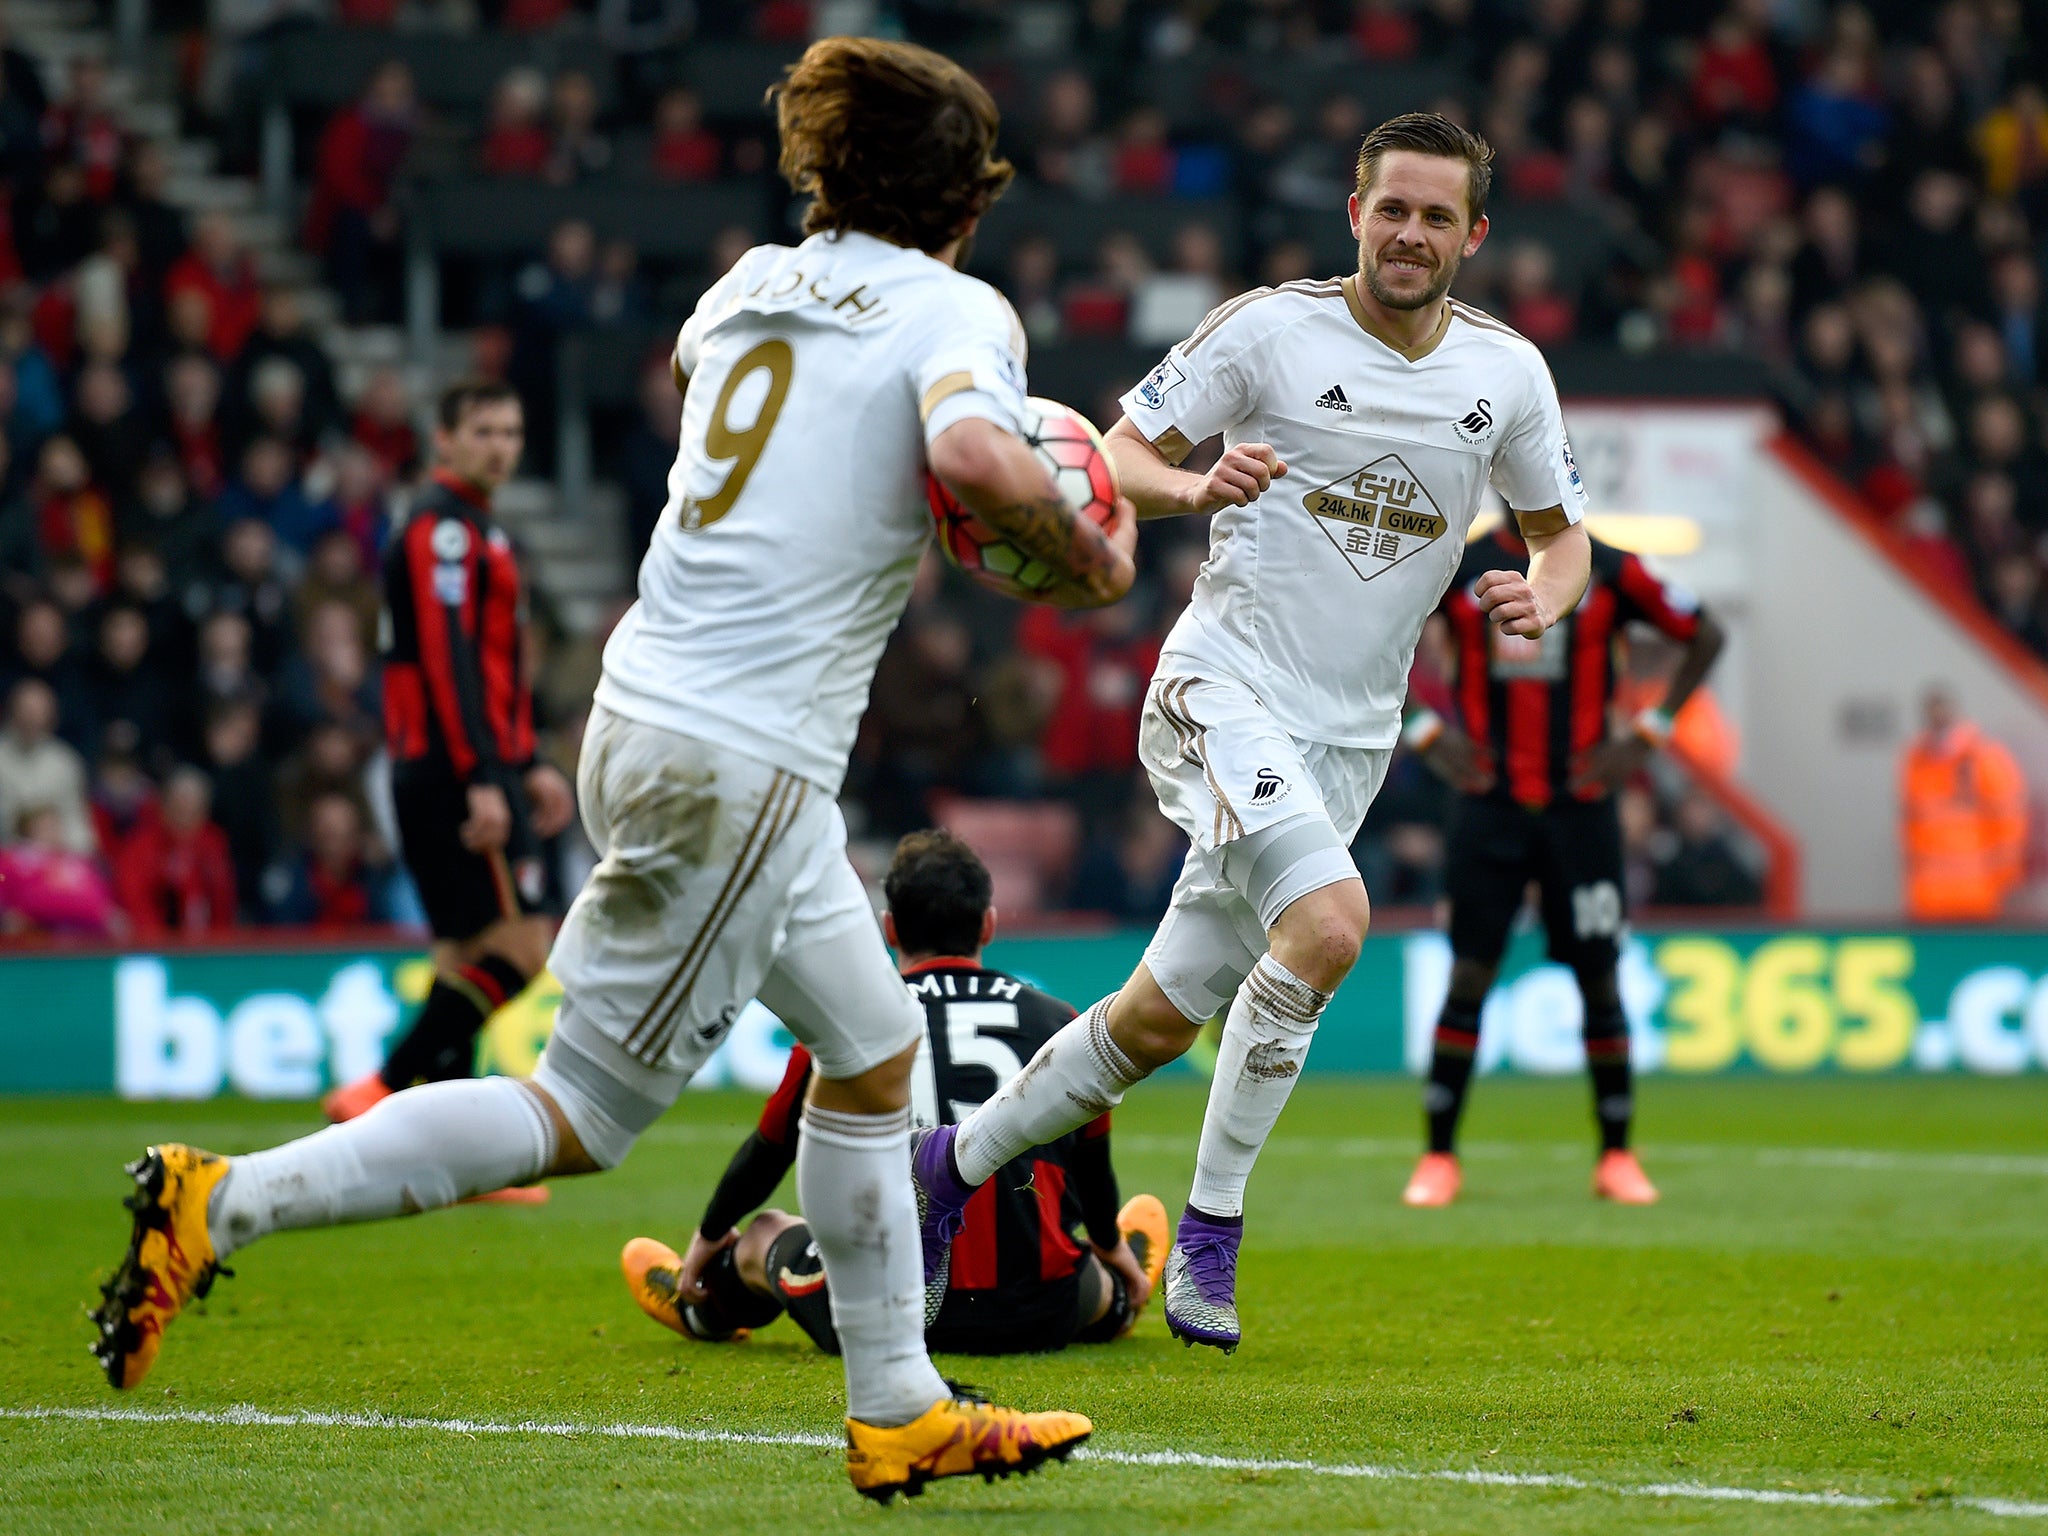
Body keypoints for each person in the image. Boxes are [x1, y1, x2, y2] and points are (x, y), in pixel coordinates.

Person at [91, 37, 1135, 1505]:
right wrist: (1082, 550)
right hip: (741, 760)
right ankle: (227, 1199)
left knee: (875, 1048)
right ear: (962, 200)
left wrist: (1082, 475)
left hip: (646, 714)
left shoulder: (740, 290)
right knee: (575, 1114)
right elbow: (968, 452)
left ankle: (899, 1404)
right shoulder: (957, 307)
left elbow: (839, 436)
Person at [915, 112, 1592, 1355]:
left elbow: (1560, 538)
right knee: (1330, 926)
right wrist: (1192, 485)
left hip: (1350, 742)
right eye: (1390, 207)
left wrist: (1535, 598)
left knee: (1155, 1022)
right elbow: (1113, 457)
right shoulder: (1267, 329)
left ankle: (947, 1165)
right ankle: (1211, 1237)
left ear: (1473, 236)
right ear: (1354, 212)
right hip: (1219, 690)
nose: (1408, 232)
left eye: (1435, 215)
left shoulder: (1506, 376)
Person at [620, 830, 1167, 1356]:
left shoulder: (850, 1020)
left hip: (883, 1314)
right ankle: (1120, 1294)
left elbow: (771, 1148)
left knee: (765, 1233)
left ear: (890, 929)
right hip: (1035, 1311)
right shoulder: (1059, 1021)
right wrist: (1107, 1241)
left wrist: (712, 1231)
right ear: (989, 925)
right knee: (1080, 1266)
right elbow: (1093, 1163)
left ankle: (701, 1302)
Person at [1401, 526, 1726, 1209]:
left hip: (1581, 808)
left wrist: (1650, 730)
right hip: (1487, 806)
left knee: (1601, 979)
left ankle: (1616, 1157)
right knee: (1468, 975)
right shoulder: (1458, 564)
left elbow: (1706, 634)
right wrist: (1421, 728)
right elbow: (1371, 632)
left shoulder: (1610, 567)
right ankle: (1438, 1158)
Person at [319, 382, 575, 1126]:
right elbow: (449, 660)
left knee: (461, 955)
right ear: (445, 439)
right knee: (523, 949)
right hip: (451, 767)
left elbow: (492, 667)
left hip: (459, 763)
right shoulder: (446, 532)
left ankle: (453, 1147)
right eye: (484, 430)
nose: (501, 445)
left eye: (512, 430)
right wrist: (486, 777)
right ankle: (383, 1085)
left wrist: (527, 761)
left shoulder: (473, 528)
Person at [1899, 688, 2027, 921]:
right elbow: (1910, 823)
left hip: (1976, 892)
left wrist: (2003, 877)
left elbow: (2008, 820)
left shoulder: (1984, 757)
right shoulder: (1915, 760)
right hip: (1928, 896)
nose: (1937, 720)